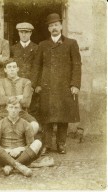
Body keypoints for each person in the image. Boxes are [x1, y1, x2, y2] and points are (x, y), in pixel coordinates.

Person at [31, 13, 82, 155]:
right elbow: (37, 66)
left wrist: (75, 85)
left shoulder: (71, 43)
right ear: (48, 29)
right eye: (51, 26)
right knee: (46, 117)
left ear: (61, 26)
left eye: (56, 25)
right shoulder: (43, 45)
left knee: (63, 117)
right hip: (46, 87)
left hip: (64, 86)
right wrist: (36, 85)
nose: (54, 28)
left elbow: (77, 65)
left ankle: (61, 144)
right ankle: (47, 144)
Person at [0, 99, 42, 177]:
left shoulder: (26, 124)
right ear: (7, 108)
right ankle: (19, 166)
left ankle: (10, 166)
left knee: (37, 143)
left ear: (20, 109)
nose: (13, 110)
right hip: (4, 155)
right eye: (11, 107)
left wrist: (19, 149)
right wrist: (6, 150)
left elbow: (30, 144)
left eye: (16, 108)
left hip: (21, 155)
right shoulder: (0, 124)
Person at [0, 60, 39, 135]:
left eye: (14, 67)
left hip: (21, 112)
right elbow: (2, 101)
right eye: (9, 67)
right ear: (5, 70)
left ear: (17, 69)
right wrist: (19, 97)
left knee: (35, 125)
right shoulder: (0, 82)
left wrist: (8, 98)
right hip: (5, 112)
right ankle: (4, 142)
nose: (12, 69)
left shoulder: (26, 82)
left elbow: (26, 103)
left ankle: (23, 143)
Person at [11, 22, 40, 125]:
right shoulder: (13, 48)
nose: (24, 35)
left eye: (26, 32)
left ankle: (34, 133)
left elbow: (38, 68)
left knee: (32, 108)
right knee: (16, 108)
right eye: (21, 32)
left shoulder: (37, 48)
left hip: (31, 84)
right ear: (18, 33)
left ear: (30, 33)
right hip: (16, 84)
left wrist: (34, 84)